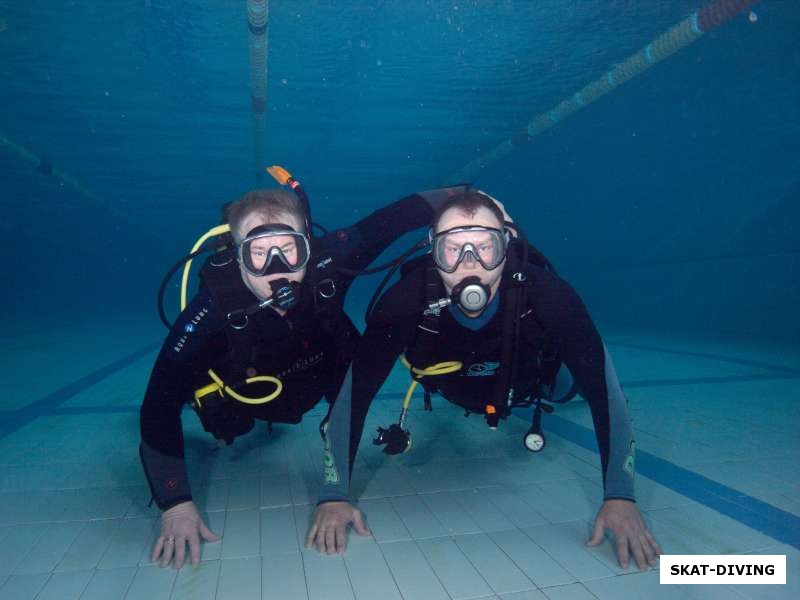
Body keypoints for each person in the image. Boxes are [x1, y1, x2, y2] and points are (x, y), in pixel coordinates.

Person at [306, 189, 663, 571]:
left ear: (506, 247)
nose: (468, 263)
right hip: (450, 384)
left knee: (565, 389)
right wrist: (333, 494)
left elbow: (606, 394)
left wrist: (620, 497)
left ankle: (556, 386)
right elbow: (354, 395)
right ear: (432, 251)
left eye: (484, 247)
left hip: (528, 384)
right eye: (453, 249)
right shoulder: (404, 303)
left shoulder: (547, 295)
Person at [139, 174, 463, 569]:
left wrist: (467, 197)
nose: (277, 268)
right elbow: (157, 405)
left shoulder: (331, 261)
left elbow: (392, 220)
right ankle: (220, 412)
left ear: (307, 247)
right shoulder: (209, 312)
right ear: (237, 255)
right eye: (259, 253)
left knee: (350, 382)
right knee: (231, 428)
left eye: (288, 250)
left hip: (321, 373)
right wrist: (175, 504)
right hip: (250, 392)